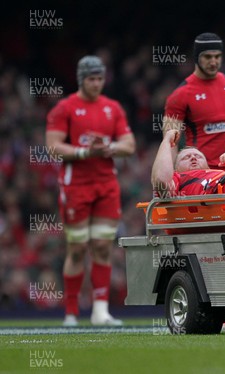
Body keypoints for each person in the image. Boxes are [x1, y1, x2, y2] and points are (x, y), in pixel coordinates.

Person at [46, 55, 136, 326]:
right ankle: (71, 312)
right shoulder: (65, 108)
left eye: (99, 78)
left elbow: (129, 145)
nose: (96, 83)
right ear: (81, 79)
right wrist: (86, 152)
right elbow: (53, 146)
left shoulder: (113, 108)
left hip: (106, 184)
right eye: (91, 79)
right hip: (76, 186)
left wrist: (109, 148)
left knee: (102, 246)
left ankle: (100, 311)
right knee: (77, 248)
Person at [162, 32, 225, 168]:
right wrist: (172, 179)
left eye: (217, 56)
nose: (213, 62)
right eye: (207, 57)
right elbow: (170, 143)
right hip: (201, 174)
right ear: (197, 58)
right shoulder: (180, 95)